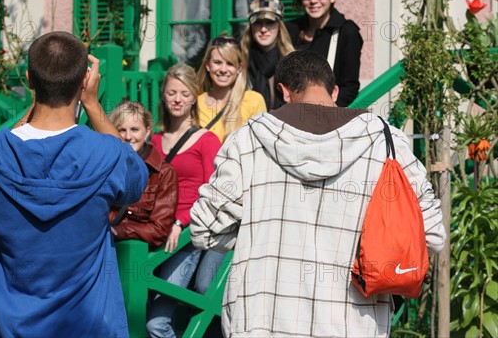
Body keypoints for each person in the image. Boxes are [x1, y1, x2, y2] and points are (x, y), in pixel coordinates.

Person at [190, 50, 446, 337]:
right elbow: (432, 236)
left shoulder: (246, 142)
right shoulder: (388, 143)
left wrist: (256, 231)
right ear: (334, 91)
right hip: (355, 325)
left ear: (283, 91)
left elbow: (204, 230)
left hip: (260, 321)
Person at [0, 31, 149, 337]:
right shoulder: (107, 153)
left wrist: (26, 116)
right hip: (88, 325)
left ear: (29, 79)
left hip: (8, 327)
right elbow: (134, 179)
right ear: (84, 81)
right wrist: (93, 105)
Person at [146, 63, 222, 338]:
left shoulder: (207, 140)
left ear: (194, 97)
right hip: (157, 234)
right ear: (164, 97)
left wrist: (182, 221)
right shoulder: (154, 140)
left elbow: (212, 191)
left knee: (156, 323)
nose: (177, 99)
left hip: (188, 235)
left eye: (185, 93)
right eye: (171, 93)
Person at [286, 0, 363, 107]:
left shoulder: (346, 32)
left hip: (326, 115)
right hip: (291, 112)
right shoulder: (290, 29)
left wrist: (324, 111)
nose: (313, 0)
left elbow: (349, 87)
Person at [108, 101, 178, 247]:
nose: (128, 136)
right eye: (121, 130)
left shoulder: (163, 173)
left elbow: (159, 230)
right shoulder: (106, 164)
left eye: (135, 129)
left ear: (146, 132)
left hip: (139, 252)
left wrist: (121, 230)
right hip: (104, 245)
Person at [197, 35, 266, 143]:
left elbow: (260, 146)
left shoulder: (253, 100)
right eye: (217, 62)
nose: (223, 69)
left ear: (239, 68)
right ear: (207, 65)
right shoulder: (196, 103)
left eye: (230, 63)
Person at [240, 0, 295, 110]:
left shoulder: (293, 62)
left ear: (280, 26)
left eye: (270, 22)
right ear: (251, 26)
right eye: (258, 23)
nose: (263, 29)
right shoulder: (241, 61)